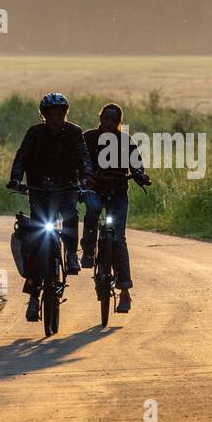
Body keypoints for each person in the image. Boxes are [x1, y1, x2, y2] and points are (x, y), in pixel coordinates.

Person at [7, 93, 94, 322]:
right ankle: (34, 298)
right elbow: (21, 157)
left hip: (67, 188)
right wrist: (16, 178)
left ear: (65, 114)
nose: (56, 118)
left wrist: (86, 178)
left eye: (60, 114)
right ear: (44, 115)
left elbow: (84, 158)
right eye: (51, 114)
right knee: (36, 243)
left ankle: (72, 254)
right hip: (39, 191)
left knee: (71, 214)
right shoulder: (34, 133)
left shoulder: (74, 133)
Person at [81, 103, 151, 314]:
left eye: (114, 120)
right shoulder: (88, 138)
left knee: (119, 239)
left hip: (118, 194)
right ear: (100, 118)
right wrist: (84, 179)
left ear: (119, 122)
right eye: (106, 119)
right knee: (92, 210)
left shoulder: (125, 140)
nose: (109, 123)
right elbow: (80, 161)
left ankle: (125, 293)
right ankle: (87, 251)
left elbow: (136, 163)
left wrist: (140, 174)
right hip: (95, 191)